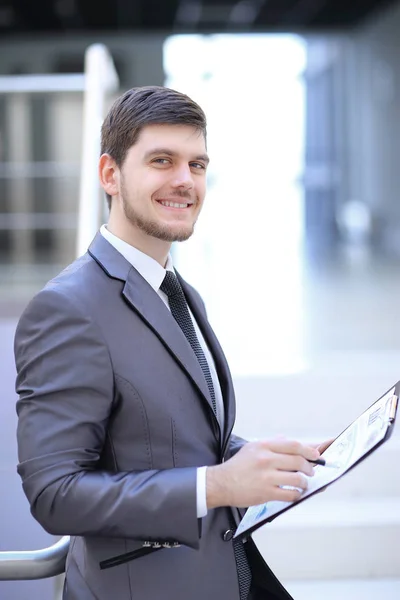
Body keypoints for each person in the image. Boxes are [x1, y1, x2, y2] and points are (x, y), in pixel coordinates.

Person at [14, 86, 326, 600]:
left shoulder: (180, 293)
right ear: (109, 175)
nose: (185, 181)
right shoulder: (68, 309)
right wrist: (218, 485)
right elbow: (55, 496)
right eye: (162, 161)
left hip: (223, 575)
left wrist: (266, 460)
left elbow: (173, 439)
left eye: (197, 164)